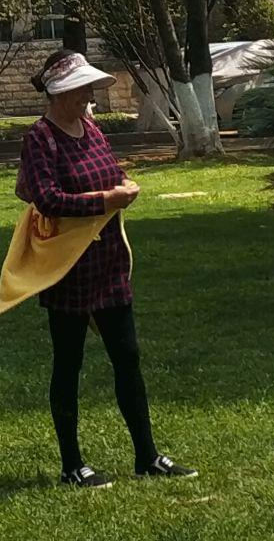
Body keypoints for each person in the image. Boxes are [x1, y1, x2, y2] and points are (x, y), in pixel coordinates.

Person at [17, 47, 196, 490]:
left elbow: (111, 172)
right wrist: (105, 201)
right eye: (81, 89)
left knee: (127, 357)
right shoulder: (41, 137)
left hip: (109, 261)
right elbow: (48, 198)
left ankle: (147, 456)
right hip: (69, 267)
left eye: (89, 88)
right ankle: (72, 465)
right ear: (59, 92)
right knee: (69, 362)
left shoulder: (92, 129)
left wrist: (125, 186)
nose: (89, 95)